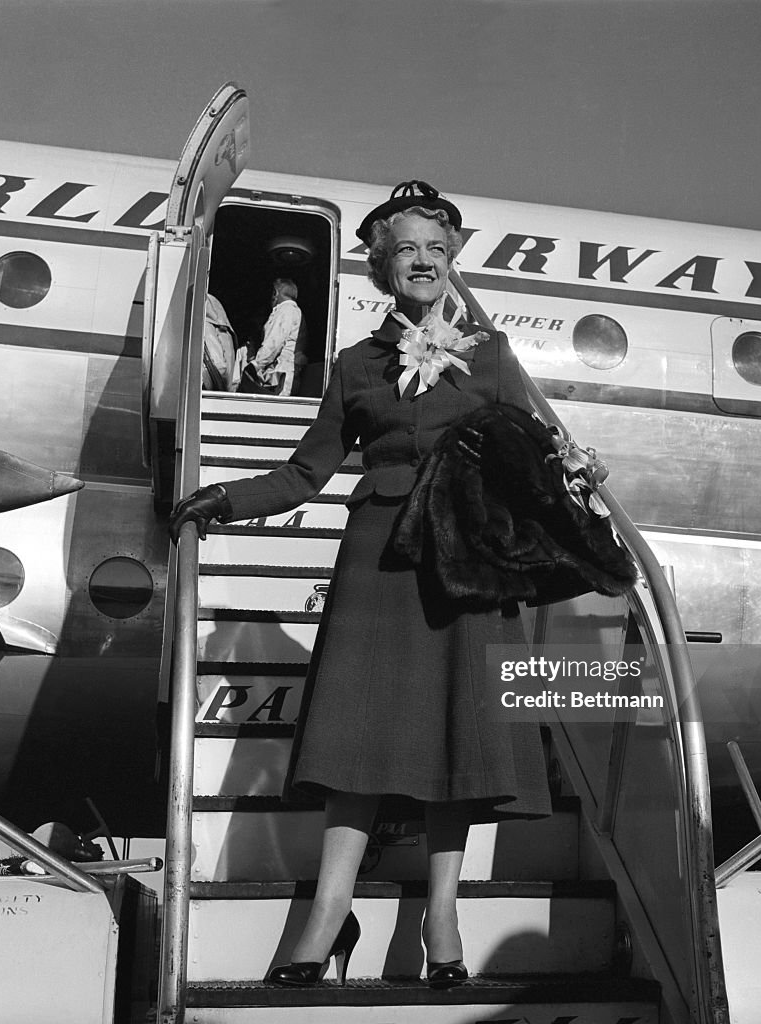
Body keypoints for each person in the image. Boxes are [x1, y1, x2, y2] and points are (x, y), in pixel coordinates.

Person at [169, 181, 552, 989]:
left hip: (464, 559)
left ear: (453, 265)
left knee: (458, 734)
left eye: (438, 250)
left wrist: (565, 485)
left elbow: (531, 452)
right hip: (379, 558)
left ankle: (442, 924)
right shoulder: (354, 365)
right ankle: (326, 913)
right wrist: (226, 501)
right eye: (408, 248)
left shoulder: (491, 356)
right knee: (356, 737)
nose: (424, 260)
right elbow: (307, 472)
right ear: (381, 265)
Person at [252, 277, 305, 397]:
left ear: (275, 293)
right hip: (289, 373)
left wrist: (255, 365)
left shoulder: (285, 309)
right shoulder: (295, 311)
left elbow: (273, 343)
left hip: (281, 374)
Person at [202, 293, 239, 391]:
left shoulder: (206, 327)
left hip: (212, 392)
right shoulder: (228, 334)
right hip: (226, 392)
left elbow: (218, 366)